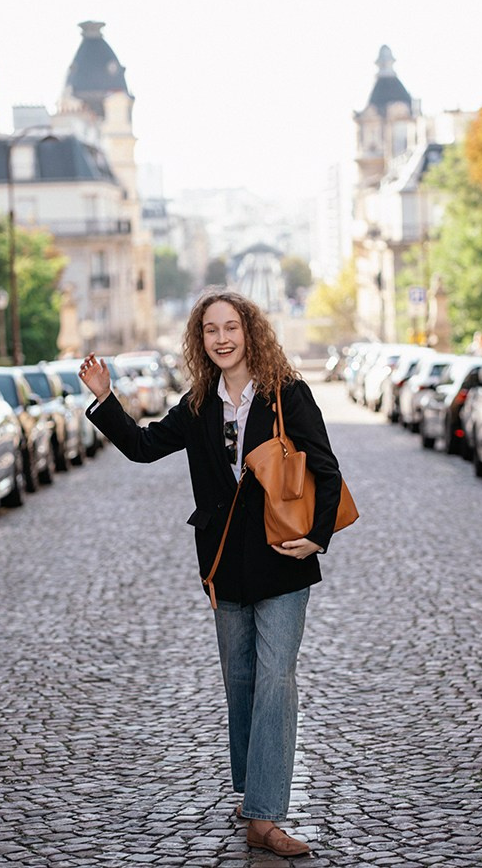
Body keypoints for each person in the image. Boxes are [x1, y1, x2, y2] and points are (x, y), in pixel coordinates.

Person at [79, 289, 344, 858]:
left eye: (231, 327)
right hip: (223, 563)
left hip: (284, 559)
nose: (222, 338)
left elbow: (325, 466)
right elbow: (144, 447)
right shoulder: (198, 404)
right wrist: (105, 400)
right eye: (210, 330)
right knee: (242, 681)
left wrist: (318, 536)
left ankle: (266, 816)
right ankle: (253, 786)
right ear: (200, 342)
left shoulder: (285, 395)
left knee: (276, 680)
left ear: (250, 333)